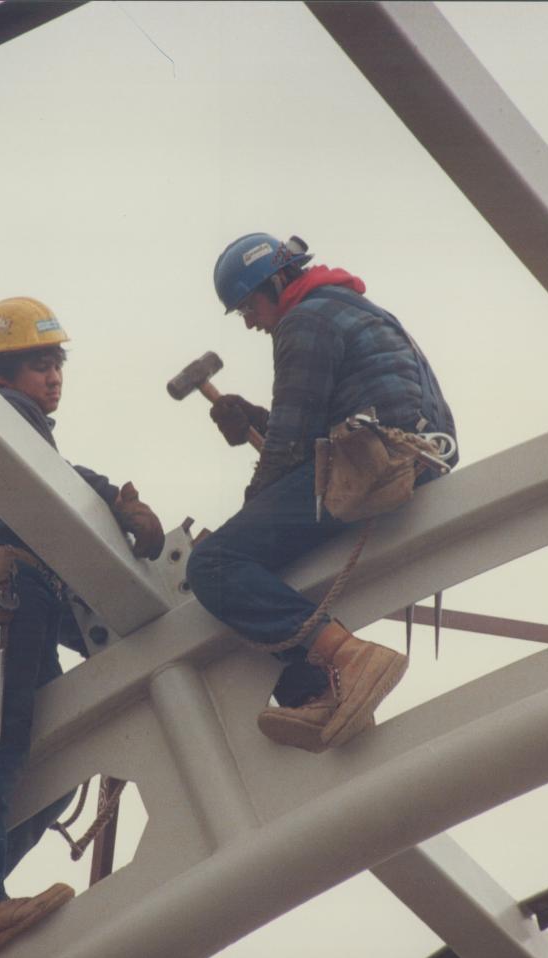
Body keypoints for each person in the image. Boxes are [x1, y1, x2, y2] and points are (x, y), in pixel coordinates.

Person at [0, 297, 165, 958]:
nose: (52, 377)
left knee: (53, 768)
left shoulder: (9, 425)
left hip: (10, 593)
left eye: (55, 362)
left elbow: (58, 478)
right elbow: (60, 482)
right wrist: (115, 498)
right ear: (2, 371)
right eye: (36, 363)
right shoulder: (8, 414)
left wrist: (111, 495)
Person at [185, 233, 457, 754]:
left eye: (248, 307)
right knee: (251, 558)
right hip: (407, 454)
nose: (249, 321)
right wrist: (256, 420)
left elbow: (288, 445)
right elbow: (311, 425)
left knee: (216, 564)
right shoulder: (349, 306)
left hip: (377, 461)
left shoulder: (303, 321)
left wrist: (248, 516)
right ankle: (323, 690)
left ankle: (350, 660)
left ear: (277, 283)